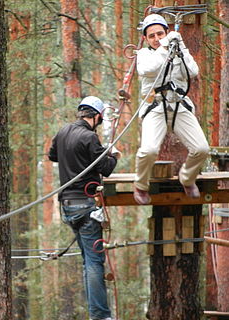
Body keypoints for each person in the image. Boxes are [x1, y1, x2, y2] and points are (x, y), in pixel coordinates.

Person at [49, 96, 120, 320]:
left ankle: (96, 313)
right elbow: (106, 168)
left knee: (87, 260)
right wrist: (113, 154)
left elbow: (52, 155)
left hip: (68, 207)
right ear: (97, 116)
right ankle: (100, 316)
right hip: (85, 205)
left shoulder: (63, 132)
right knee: (93, 262)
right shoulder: (90, 137)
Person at [133, 14, 209, 205]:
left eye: (160, 33)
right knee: (148, 150)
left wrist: (181, 46)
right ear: (146, 39)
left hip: (179, 106)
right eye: (152, 36)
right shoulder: (144, 54)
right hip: (155, 107)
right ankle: (141, 185)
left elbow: (193, 71)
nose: (157, 38)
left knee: (201, 149)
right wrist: (166, 46)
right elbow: (149, 69)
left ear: (167, 32)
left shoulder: (178, 52)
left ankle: (187, 177)